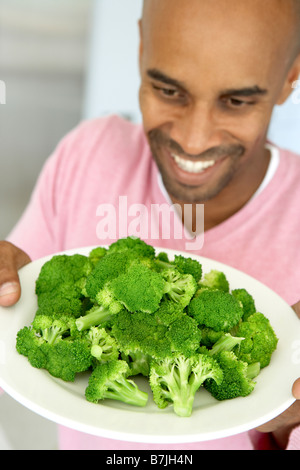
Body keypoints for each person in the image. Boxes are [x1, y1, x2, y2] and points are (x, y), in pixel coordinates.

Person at [1, 0, 300, 450]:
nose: (194, 139)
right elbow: (29, 299)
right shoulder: (87, 155)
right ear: (141, 48)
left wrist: (286, 419)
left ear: (290, 77)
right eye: (168, 91)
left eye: (236, 101)